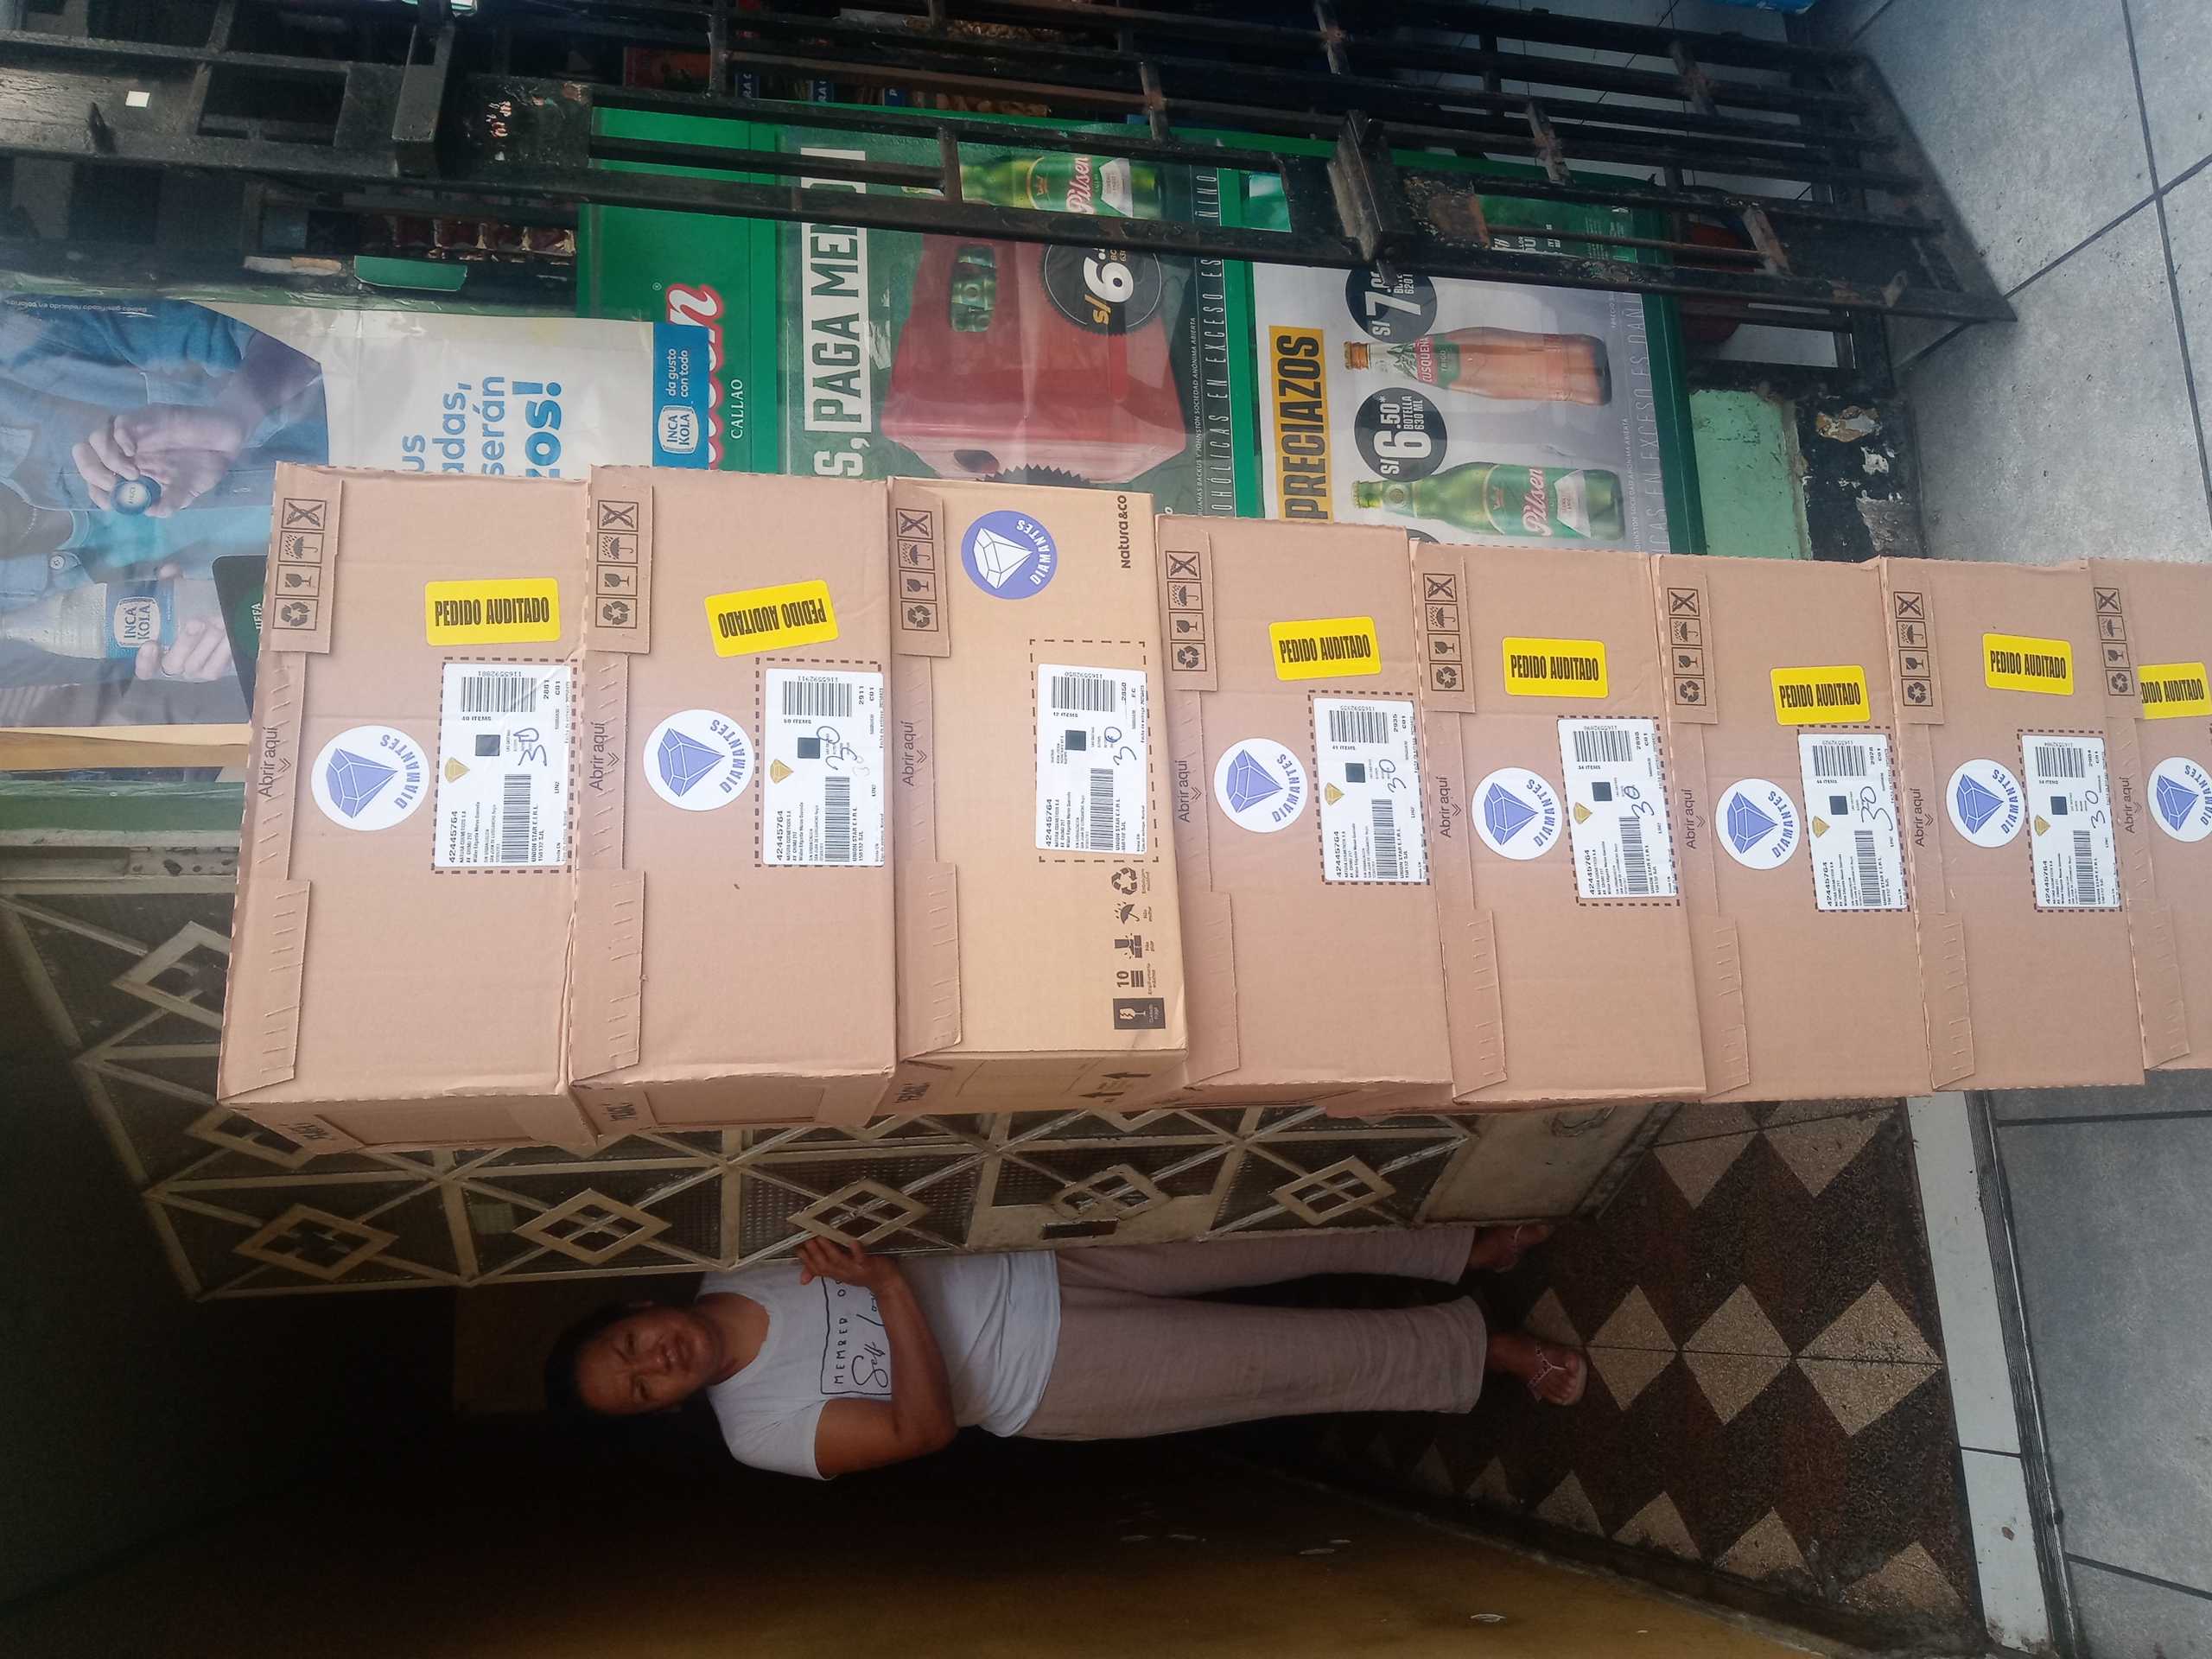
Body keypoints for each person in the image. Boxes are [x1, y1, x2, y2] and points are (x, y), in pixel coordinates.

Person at [543, 1226, 1586, 1480]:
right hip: (1053, 1378)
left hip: (1042, 1249)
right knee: (1293, 1361)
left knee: (1275, 1237)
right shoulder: (757, 1431)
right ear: (661, 1409)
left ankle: (1456, 1243)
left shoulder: (735, 1250)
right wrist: (891, 1290)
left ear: (636, 1304)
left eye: (629, 1344)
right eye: (639, 1389)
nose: (654, 1361)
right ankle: (1486, 1350)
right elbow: (920, 1430)